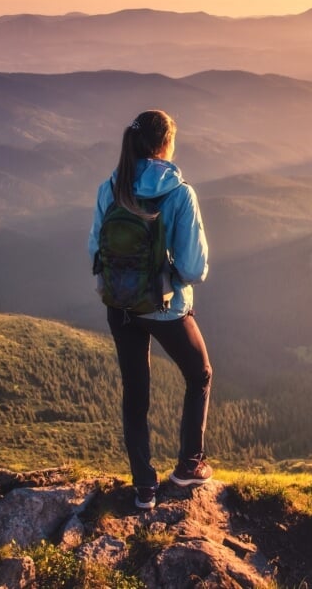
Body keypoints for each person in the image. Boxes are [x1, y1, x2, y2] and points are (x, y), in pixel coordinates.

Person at [88, 109, 212, 510]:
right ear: (165, 145)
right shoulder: (179, 193)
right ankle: (189, 466)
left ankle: (144, 488)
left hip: (120, 304)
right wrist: (167, 274)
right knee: (199, 374)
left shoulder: (111, 187)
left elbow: (96, 250)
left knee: (135, 392)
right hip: (164, 307)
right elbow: (193, 268)